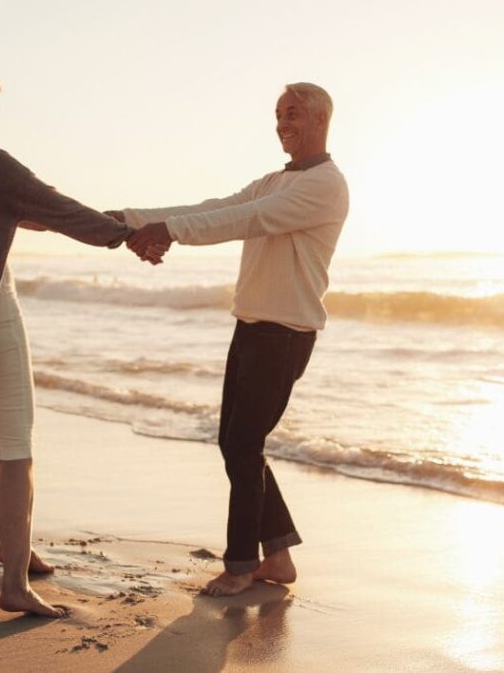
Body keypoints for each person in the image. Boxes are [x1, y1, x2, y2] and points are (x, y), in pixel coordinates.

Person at [0, 63, 157, 617]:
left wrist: (107, 224)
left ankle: (11, 547)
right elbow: (52, 204)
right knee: (16, 450)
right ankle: (15, 584)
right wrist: (125, 234)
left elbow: (28, 213)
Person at [114, 83, 349, 597]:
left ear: (320, 119)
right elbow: (217, 206)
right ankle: (279, 557)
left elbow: (244, 220)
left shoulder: (325, 185)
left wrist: (166, 231)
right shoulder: (273, 180)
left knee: (243, 445)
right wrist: (132, 220)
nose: (282, 123)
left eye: (292, 114)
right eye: (277, 114)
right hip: (251, 326)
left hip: (285, 334)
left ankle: (242, 564)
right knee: (235, 444)